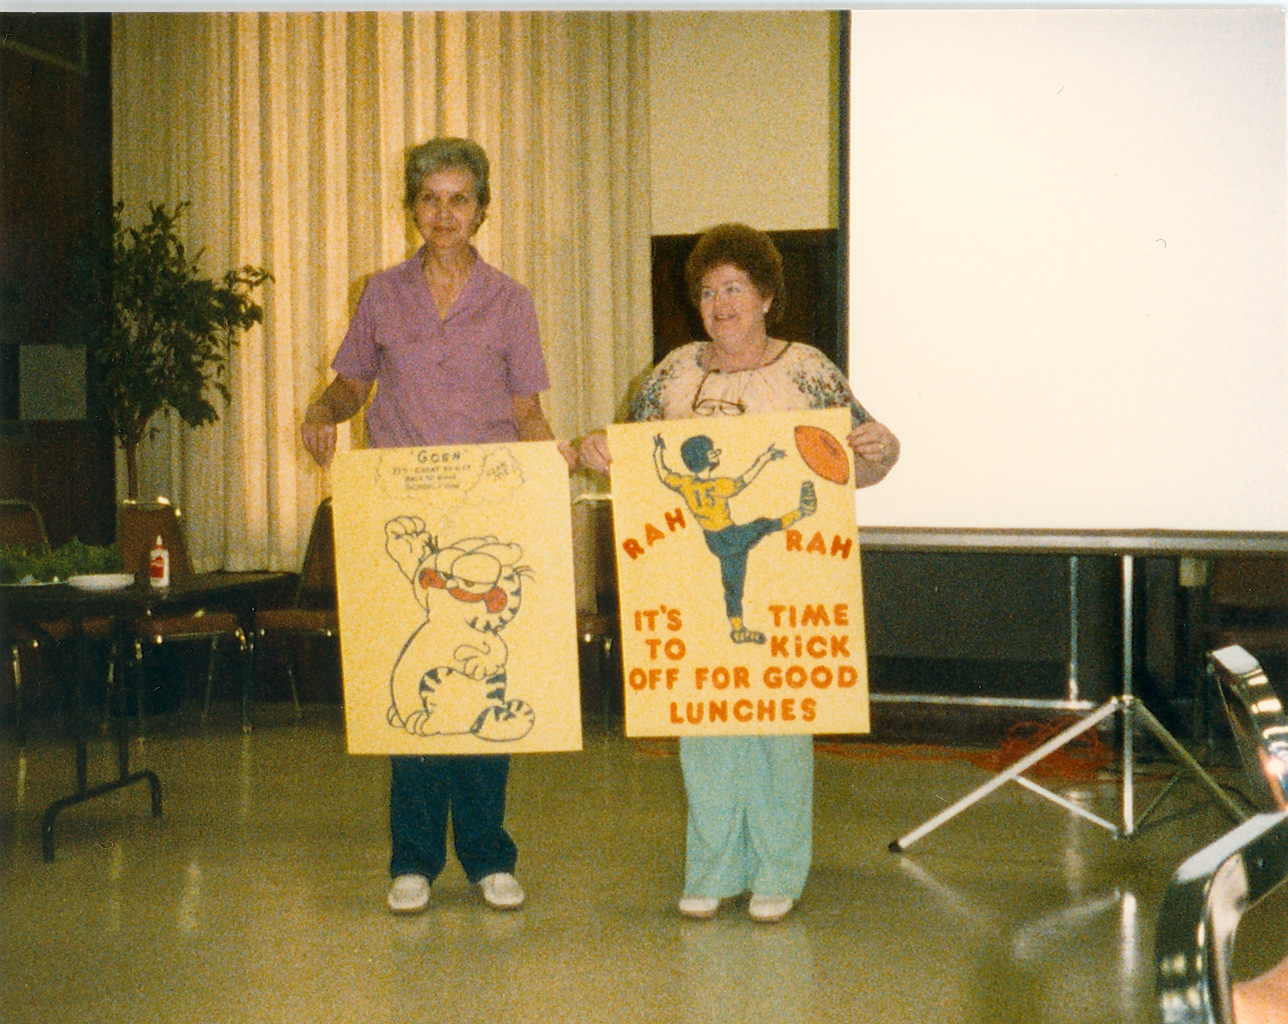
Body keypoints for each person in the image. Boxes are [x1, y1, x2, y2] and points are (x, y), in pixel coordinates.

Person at [576, 222, 900, 924]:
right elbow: (630, 463)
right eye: (707, 291)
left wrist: (883, 447)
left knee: (782, 722)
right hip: (688, 571)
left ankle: (779, 869)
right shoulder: (670, 375)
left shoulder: (808, 370)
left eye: (734, 288)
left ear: (767, 297)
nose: (719, 304)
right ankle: (714, 868)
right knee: (705, 722)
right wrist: (597, 449)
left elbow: (862, 463)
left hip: (794, 579)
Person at [302, 137, 570, 916]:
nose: (444, 213)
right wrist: (321, 412)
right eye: (430, 198)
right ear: (412, 207)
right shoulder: (381, 294)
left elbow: (527, 411)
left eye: (459, 199)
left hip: (486, 517)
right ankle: (413, 859)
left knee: (482, 673)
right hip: (403, 514)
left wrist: (548, 478)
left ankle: (488, 856)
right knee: (410, 675)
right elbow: (351, 386)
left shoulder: (510, 299)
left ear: (481, 210)